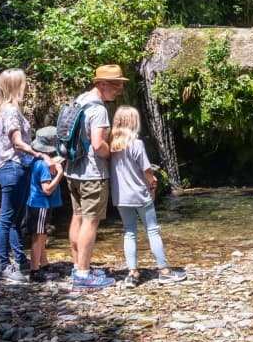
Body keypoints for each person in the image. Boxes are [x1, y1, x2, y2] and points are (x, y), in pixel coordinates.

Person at [64, 64, 128, 291]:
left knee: (78, 217)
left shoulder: (80, 100)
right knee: (90, 221)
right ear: (101, 84)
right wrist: (115, 157)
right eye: (116, 85)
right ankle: (83, 275)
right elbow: (98, 144)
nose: (119, 89)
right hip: (92, 174)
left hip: (72, 170)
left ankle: (78, 266)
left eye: (121, 84)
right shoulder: (99, 109)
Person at [110, 105, 186, 288]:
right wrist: (153, 183)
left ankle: (132, 273)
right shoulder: (136, 144)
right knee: (152, 230)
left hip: (120, 196)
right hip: (140, 194)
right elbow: (146, 170)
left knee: (129, 232)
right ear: (133, 123)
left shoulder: (111, 146)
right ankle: (164, 271)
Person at [0, 68, 52, 283]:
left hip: (14, 168)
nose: (26, 86)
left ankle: (20, 260)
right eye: (24, 83)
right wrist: (39, 155)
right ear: (16, 86)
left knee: (15, 218)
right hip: (12, 167)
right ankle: (3, 266)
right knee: (7, 218)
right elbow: (16, 141)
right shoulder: (10, 111)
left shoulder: (8, 109)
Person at [25, 126, 64, 283]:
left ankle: (44, 265)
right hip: (41, 204)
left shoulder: (37, 160)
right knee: (38, 237)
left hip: (34, 203)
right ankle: (35, 271)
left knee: (41, 236)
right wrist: (60, 174)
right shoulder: (44, 165)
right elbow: (47, 189)